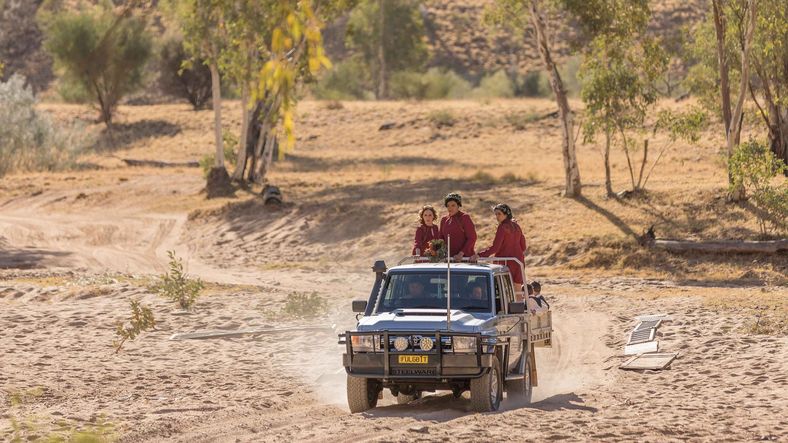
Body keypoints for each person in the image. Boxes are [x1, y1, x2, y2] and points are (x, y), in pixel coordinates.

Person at [471, 203, 527, 295]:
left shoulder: (502, 227)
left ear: (506, 214)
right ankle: (518, 309)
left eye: (499, 214)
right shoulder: (517, 226)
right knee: (517, 292)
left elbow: (495, 248)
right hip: (518, 261)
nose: (497, 216)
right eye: (496, 214)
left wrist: (479, 255)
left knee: (504, 293)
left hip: (505, 262)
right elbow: (523, 247)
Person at [439, 192, 477, 261]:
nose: (450, 208)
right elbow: (441, 238)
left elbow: (472, 238)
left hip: (465, 258)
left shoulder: (464, 217)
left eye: (453, 205)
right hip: (449, 259)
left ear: (458, 205)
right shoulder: (444, 220)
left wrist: (461, 253)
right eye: (448, 205)